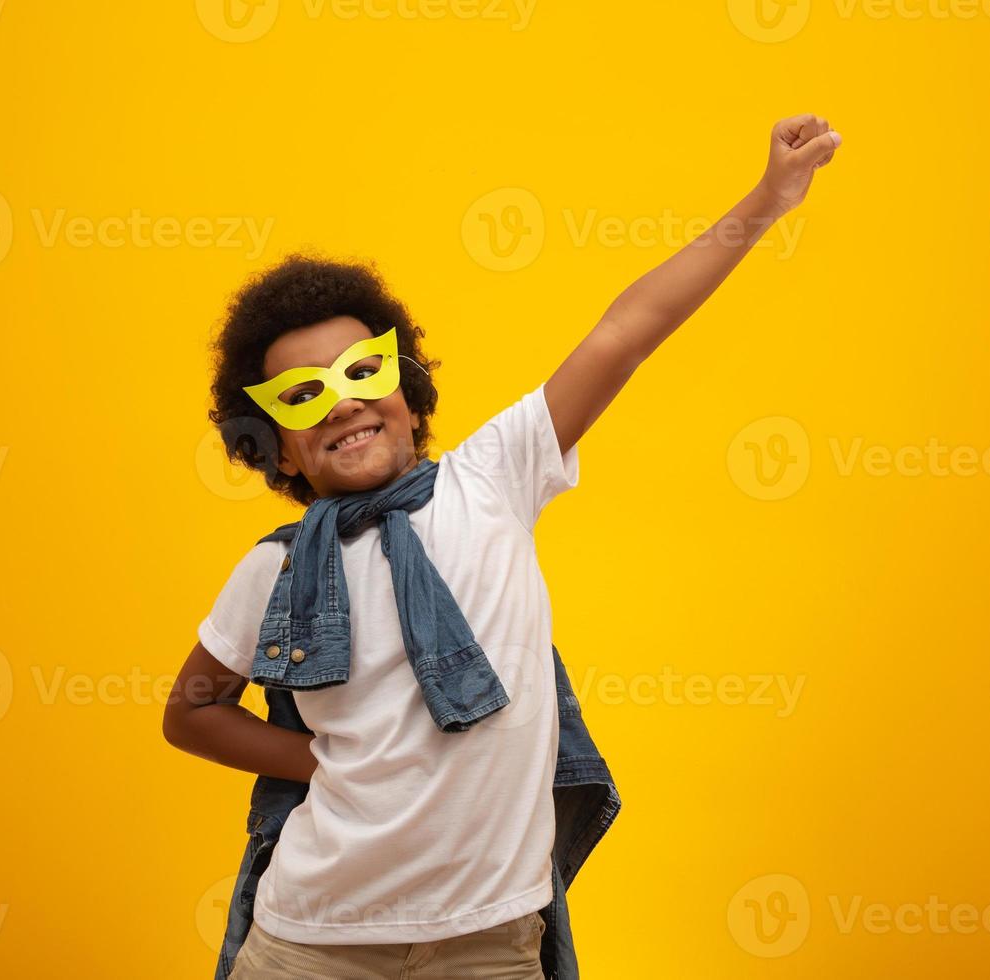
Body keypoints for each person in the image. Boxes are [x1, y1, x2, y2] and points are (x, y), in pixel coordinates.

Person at [162, 113, 843, 979]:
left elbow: (624, 331)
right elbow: (190, 710)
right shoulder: (277, 569)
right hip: (316, 936)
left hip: (487, 942)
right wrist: (322, 759)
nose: (341, 405)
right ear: (278, 444)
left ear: (406, 388)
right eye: (302, 397)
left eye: (362, 372)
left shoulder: (493, 478)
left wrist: (768, 200)